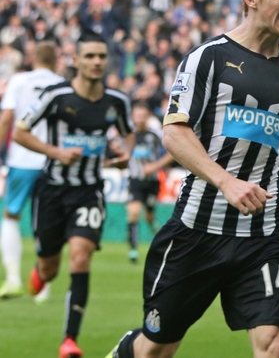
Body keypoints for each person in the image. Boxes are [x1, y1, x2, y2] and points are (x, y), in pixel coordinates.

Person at [106, 0, 279, 358]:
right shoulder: (209, 58)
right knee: (154, 350)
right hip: (198, 230)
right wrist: (227, 181)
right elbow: (174, 133)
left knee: (276, 348)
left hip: (264, 235)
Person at [14, 32, 135, 358]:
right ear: (76, 60)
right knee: (50, 267)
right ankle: (41, 271)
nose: (96, 62)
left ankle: (69, 340)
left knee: (81, 256)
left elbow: (129, 133)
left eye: (101, 56)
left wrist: (125, 155)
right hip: (52, 191)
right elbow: (20, 133)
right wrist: (56, 151)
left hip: (89, 191)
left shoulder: (116, 101)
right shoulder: (56, 96)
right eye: (90, 56)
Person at [0, 41, 63, 302]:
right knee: (45, 221)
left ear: (32, 57)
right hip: (50, 159)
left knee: (11, 215)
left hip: (22, 159)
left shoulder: (19, 81)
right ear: (56, 59)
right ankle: (43, 284)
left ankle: (13, 277)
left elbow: (6, 119)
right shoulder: (62, 84)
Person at [125, 102, 174, 263]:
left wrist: (155, 166)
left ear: (147, 117)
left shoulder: (156, 134)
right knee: (133, 213)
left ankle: (153, 225)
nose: (138, 119)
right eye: (136, 115)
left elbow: (173, 151)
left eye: (142, 115)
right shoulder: (127, 134)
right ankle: (133, 250)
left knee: (148, 216)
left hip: (152, 181)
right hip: (135, 180)